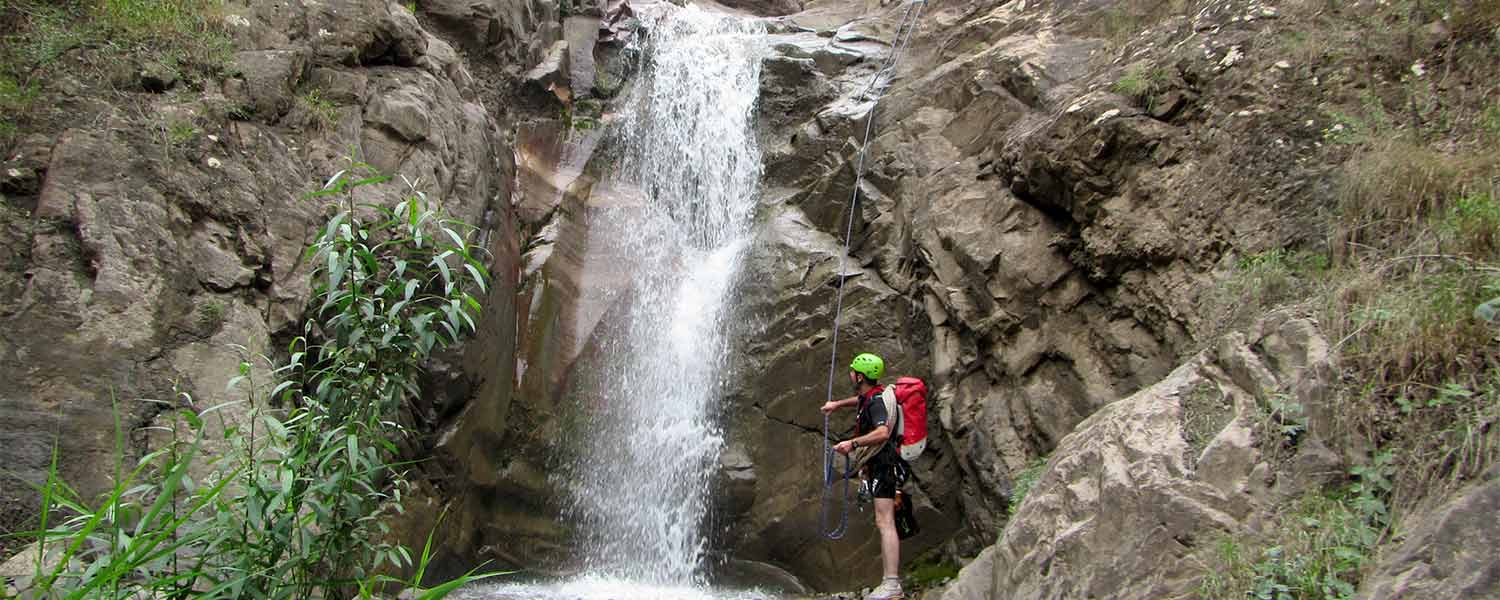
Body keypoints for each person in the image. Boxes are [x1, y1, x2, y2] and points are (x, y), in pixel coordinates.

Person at [822, 352, 907, 600]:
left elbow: (882, 432)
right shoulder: (871, 395)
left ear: (860, 376)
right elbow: (861, 401)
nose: (850, 374)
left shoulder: (876, 402)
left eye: (852, 371)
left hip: (884, 464)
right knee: (884, 520)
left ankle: (892, 584)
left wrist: (853, 443)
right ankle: (891, 583)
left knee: (885, 521)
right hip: (880, 464)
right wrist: (837, 405)